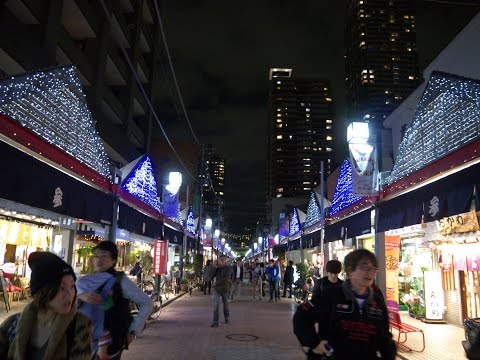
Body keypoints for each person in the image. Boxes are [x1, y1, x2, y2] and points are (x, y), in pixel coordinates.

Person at [293, 249, 396, 360]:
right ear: (350, 270)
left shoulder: (377, 300)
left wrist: (389, 354)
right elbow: (302, 315)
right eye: (365, 267)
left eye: (374, 268)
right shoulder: (332, 295)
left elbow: (384, 334)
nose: (370, 272)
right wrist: (314, 343)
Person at [0, 251, 92, 360]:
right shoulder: (12, 324)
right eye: (62, 288)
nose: (70, 294)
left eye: (72, 286)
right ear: (43, 291)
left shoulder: (80, 326)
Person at [78, 241, 153, 360]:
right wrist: (80, 296)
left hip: (110, 344)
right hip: (85, 342)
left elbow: (147, 303)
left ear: (113, 260)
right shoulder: (88, 280)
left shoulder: (120, 281)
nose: (99, 260)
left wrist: (133, 330)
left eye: (104, 256)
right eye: (96, 256)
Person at [210, 256, 232, 327]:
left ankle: (226, 317)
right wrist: (213, 267)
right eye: (220, 260)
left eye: (223, 260)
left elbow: (226, 278)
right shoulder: (217, 269)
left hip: (225, 289)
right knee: (216, 305)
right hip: (217, 289)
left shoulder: (228, 268)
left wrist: (216, 283)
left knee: (225, 305)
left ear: (225, 261)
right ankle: (215, 322)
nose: (221, 262)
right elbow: (211, 276)